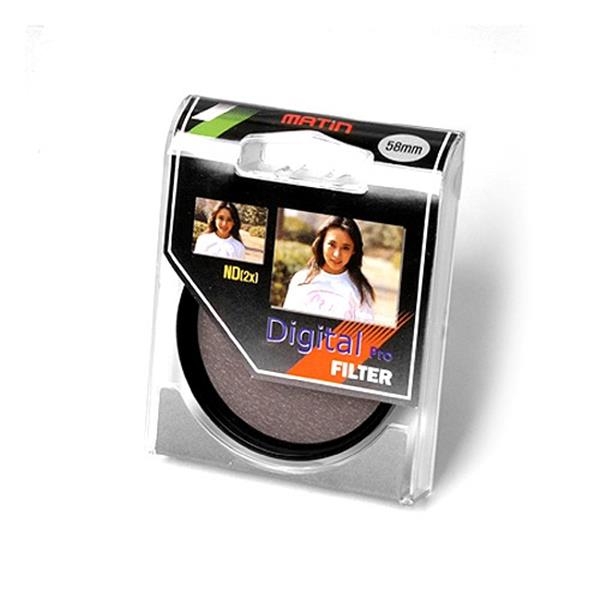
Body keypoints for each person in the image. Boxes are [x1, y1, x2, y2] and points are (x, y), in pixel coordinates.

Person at [283, 216, 375, 322]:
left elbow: (364, 331)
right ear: (322, 243)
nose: (337, 254)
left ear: (354, 250)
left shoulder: (361, 291)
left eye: (345, 248)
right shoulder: (300, 280)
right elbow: (286, 323)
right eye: (332, 245)